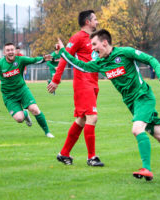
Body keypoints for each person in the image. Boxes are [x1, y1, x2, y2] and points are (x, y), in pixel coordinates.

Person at [55, 29, 160, 181]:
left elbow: (150, 59)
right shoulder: (100, 62)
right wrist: (63, 51)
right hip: (132, 104)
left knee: (137, 129)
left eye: (94, 44)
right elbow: (81, 65)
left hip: (143, 96)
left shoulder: (125, 52)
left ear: (104, 42)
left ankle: (146, 169)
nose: (93, 48)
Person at [47, 10, 104, 166]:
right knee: (92, 117)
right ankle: (91, 157)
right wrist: (56, 79)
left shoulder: (94, 39)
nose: (97, 22)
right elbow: (64, 58)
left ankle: (64, 154)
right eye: (95, 19)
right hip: (83, 83)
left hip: (93, 82)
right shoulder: (77, 38)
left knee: (82, 119)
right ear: (87, 22)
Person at [0, 42, 54, 138]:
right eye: (8, 50)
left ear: (15, 51)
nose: (10, 52)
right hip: (9, 96)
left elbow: (33, 60)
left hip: (22, 90)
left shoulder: (20, 60)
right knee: (19, 119)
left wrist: (43, 59)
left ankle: (47, 132)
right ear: (4, 53)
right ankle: (25, 114)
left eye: (12, 50)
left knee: (34, 109)